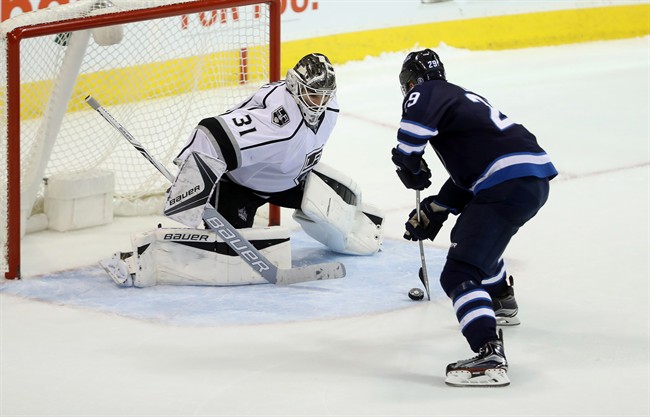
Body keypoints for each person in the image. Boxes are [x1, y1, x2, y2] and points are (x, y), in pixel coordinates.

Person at [102, 53, 383, 288]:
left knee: (342, 219)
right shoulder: (278, 123)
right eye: (312, 95)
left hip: (290, 178)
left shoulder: (329, 109)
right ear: (295, 87)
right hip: (239, 187)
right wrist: (190, 186)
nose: (319, 104)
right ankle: (142, 257)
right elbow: (210, 131)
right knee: (226, 258)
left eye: (324, 96)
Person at [390, 49, 557, 387]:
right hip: (527, 179)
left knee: (458, 272)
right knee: (475, 237)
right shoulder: (462, 100)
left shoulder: (427, 92)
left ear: (409, 83)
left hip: (508, 183)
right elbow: (471, 175)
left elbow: (409, 141)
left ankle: (488, 353)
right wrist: (437, 207)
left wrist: (408, 163)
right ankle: (500, 299)